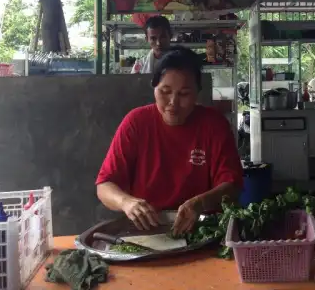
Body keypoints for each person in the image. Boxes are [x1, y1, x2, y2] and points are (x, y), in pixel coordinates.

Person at [96, 47, 243, 235]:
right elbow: (105, 185)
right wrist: (126, 202)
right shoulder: (136, 122)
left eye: (184, 94)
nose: (173, 102)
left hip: (203, 230)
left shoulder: (214, 125)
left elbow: (232, 186)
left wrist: (200, 203)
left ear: (197, 93)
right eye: (165, 91)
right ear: (154, 88)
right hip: (147, 231)